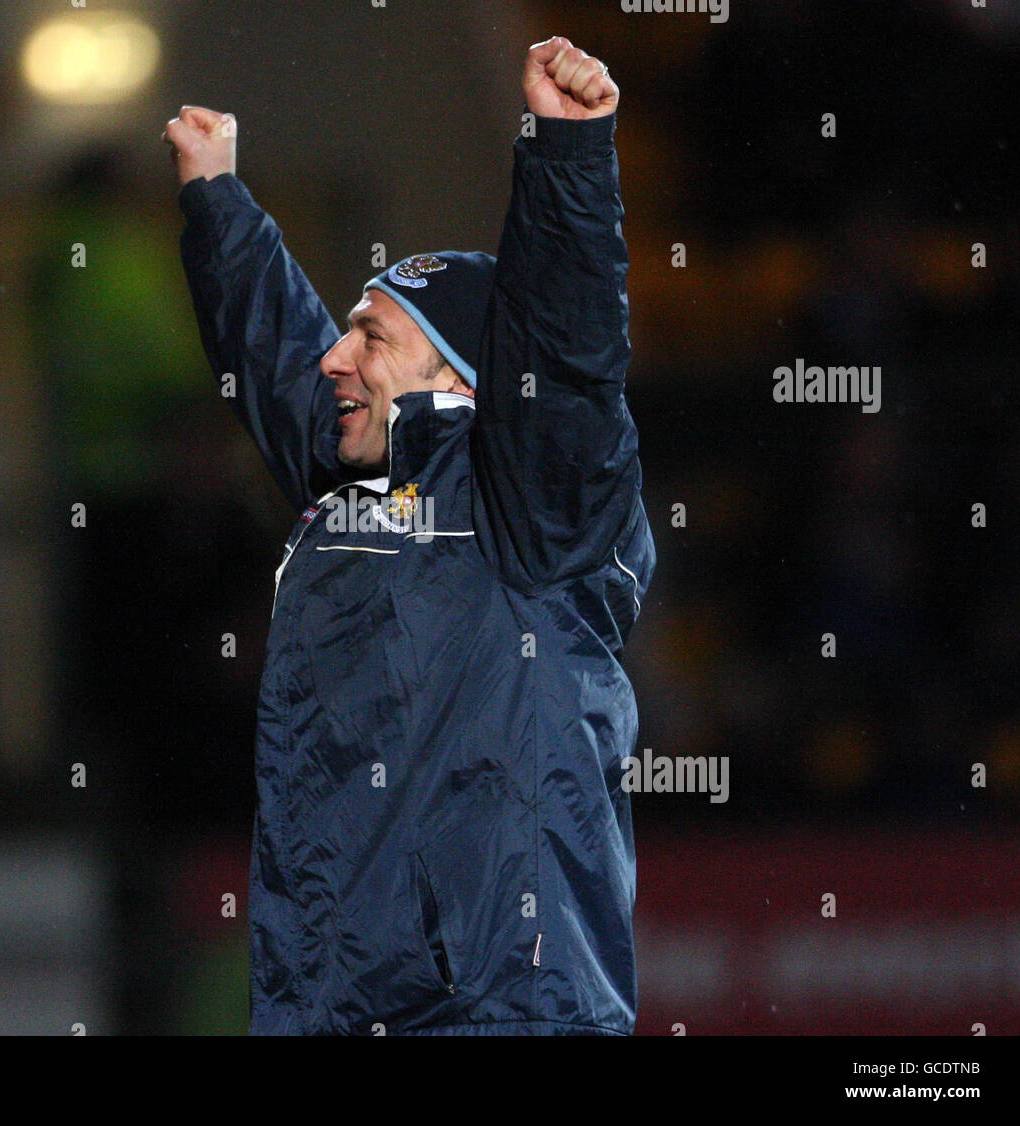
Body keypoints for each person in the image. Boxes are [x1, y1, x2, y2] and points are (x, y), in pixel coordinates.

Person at [166, 35, 655, 1035]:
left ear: (460, 381)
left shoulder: (528, 502)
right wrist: (217, 198)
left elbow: (562, 352)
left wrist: (566, 154)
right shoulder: (363, 485)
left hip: (497, 1008)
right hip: (331, 1000)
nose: (337, 357)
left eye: (372, 336)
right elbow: (277, 357)